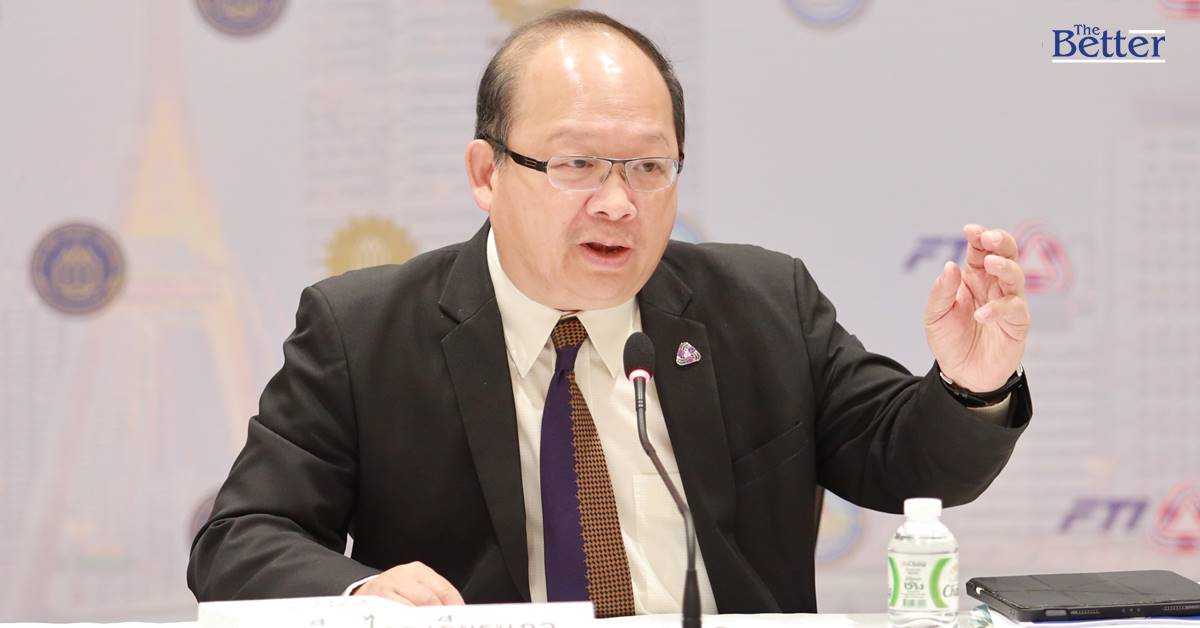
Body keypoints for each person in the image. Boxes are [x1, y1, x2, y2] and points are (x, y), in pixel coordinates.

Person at [187, 10, 1032, 616]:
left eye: (649, 168)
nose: (619, 204)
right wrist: (361, 591)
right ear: (486, 173)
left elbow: (908, 465)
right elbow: (241, 538)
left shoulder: (761, 304)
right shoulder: (364, 333)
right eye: (578, 165)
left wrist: (973, 385)